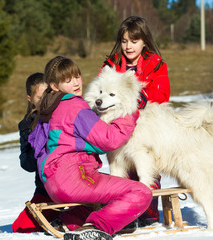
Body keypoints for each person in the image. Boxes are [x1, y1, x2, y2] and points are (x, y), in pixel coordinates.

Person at [28, 56, 152, 240]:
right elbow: (109, 139)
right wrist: (131, 111)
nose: (76, 83)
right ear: (54, 86)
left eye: (77, 76)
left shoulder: (48, 108)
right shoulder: (73, 106)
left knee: (103, 194)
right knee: (141, 192)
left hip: (53, 183)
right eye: (67, 80)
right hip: (74, 178)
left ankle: (68, 221)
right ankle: (96, 227)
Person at [101, 15, 170, 227]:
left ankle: (147, 211)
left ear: (144, 41)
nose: (128, 46)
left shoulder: (155, 64)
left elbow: (162, 93)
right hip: (118, 127)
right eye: (124, 41)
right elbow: (102, 90)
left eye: (134, 41)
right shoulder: (111, 65)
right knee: (120, 169)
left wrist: (145, 97)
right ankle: (124, 212)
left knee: (146, 166)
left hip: (145, 126)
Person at [12, 73, 60, 233]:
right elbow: (26, 164)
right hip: (45, 189)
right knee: (19, 227)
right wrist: (37, 147)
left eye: (47, 96)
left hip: (69, 180)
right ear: (30, 98)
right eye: (40, 98)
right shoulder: (26, 125)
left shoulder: (61, 114)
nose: (45, 101)